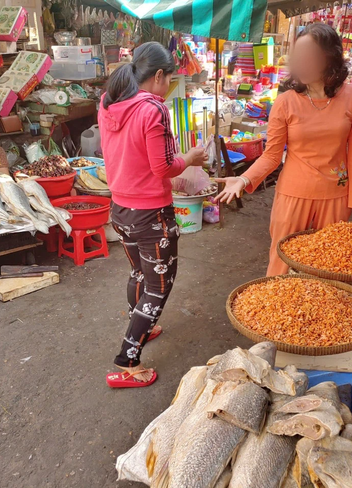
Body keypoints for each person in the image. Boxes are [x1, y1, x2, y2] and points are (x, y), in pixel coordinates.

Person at [216, 24, 352, 277]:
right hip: (293, 195)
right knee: (281, 265)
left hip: (336, 196)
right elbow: (272, 154)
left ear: (329, 57)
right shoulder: (285, 101)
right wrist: (244, 179)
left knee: (329, 267)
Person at [98, 42, 208, 388]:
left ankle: (141, 325)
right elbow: (163, 168)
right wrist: (189, 158)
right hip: (151, 215)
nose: (170, 85)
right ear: (159, 75)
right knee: (159, 287)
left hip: (121, 209)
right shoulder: (152, 109)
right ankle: (126, 361)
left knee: (140, 275)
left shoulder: (109, 102)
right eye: (170, 78)